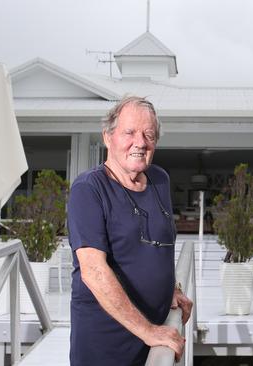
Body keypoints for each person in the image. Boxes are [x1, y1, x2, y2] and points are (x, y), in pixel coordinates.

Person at [68, 96, 193, 365]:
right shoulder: (88, 189)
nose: (140, 142)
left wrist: (171, 287)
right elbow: (93, 271)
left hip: (153, 337)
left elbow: (155, 244)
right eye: (130, 132)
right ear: (107, 137)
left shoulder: (160, 179)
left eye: (149, 134)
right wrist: (148, 331)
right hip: (107, 344)